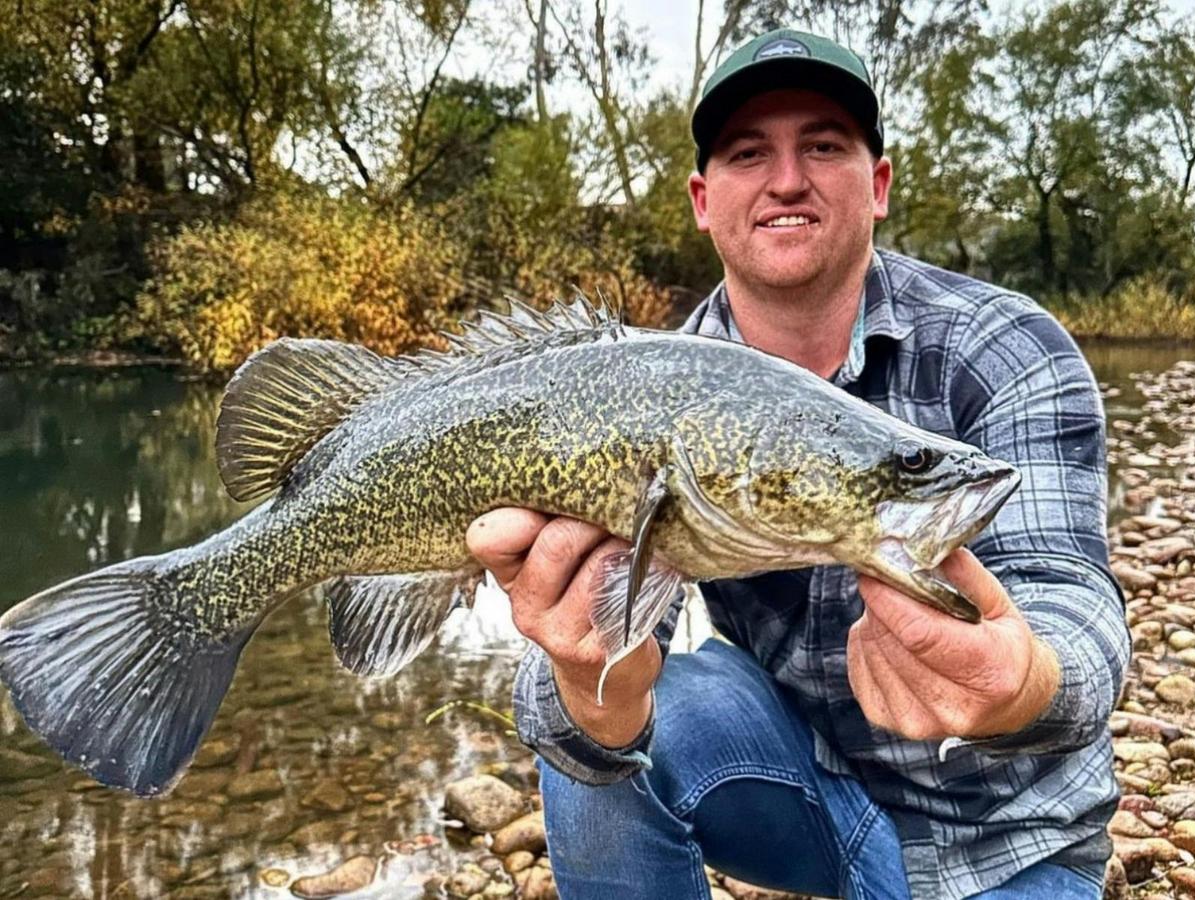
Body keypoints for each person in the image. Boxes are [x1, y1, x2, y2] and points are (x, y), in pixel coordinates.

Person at [465, 27, 1129, 900]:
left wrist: (1021, 681)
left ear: (878, 185)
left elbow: (1074, 603)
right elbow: (585, 677)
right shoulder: (645, 389)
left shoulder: (1006, 346)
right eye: (749, 153)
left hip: (1008, 842)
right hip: (810, 795)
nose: (786, 180)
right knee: (599, 734)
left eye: (822, 145)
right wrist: (592, 686)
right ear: (703, 201)